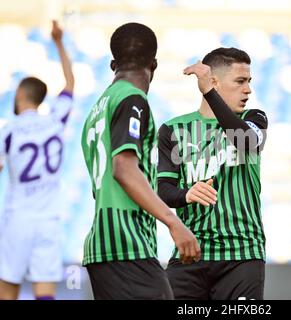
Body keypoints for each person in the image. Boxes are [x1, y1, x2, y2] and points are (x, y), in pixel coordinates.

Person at [80, 22, 200, 300]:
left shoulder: (97, 109)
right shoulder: (132, 99)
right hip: (127, 243)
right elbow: (123, 168)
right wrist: (174, 222)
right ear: (154, 65)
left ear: (113, 65)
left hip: (103, 243)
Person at [157, 47, 268, 299]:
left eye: (249, 81)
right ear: (214, 82)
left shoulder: (255, 118)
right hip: (191, 255)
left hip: (242, 255)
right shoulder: (174, 129)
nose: (248, 90)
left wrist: (208, 93)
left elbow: (247, 141)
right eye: (240, 81)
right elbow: (163, 190)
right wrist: (187, 194)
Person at [0, 20, 74, 300]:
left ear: (20, 94)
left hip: (17, 217)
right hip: (49, 219)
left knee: (8, 288)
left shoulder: (8, 130)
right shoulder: (55, 120)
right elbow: (70, 83)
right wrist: (59, 42)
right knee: (45, 292)